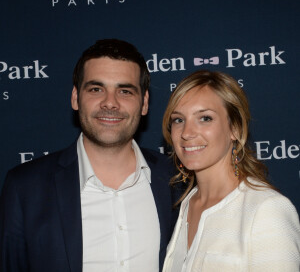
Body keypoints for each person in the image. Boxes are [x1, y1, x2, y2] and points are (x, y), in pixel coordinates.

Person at [0, 39, 179, 272]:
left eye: (125, 91)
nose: (110, 103)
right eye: (96, 89)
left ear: (144, 103)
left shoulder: (177, 178)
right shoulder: (25, 187)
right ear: (75, 98)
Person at [162, 70, 300, 271]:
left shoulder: (266, 209)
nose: (187, 133)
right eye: (178, 120)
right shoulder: (187, 205)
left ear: (235, 128)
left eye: (205, 118)